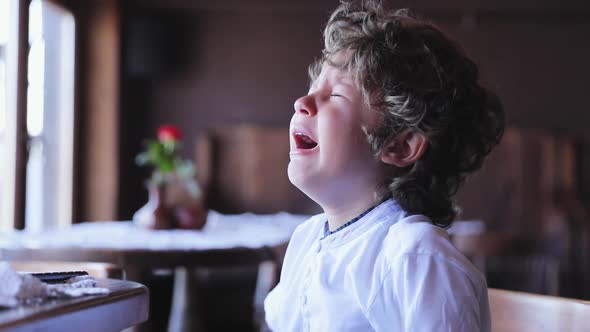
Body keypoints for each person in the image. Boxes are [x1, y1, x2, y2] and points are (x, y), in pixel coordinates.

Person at [264, 1, 504, 331]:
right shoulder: (305, 241)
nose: (301, 103)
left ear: (400, 145)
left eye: (335, 96)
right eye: (312, 88)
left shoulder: (417, 260)